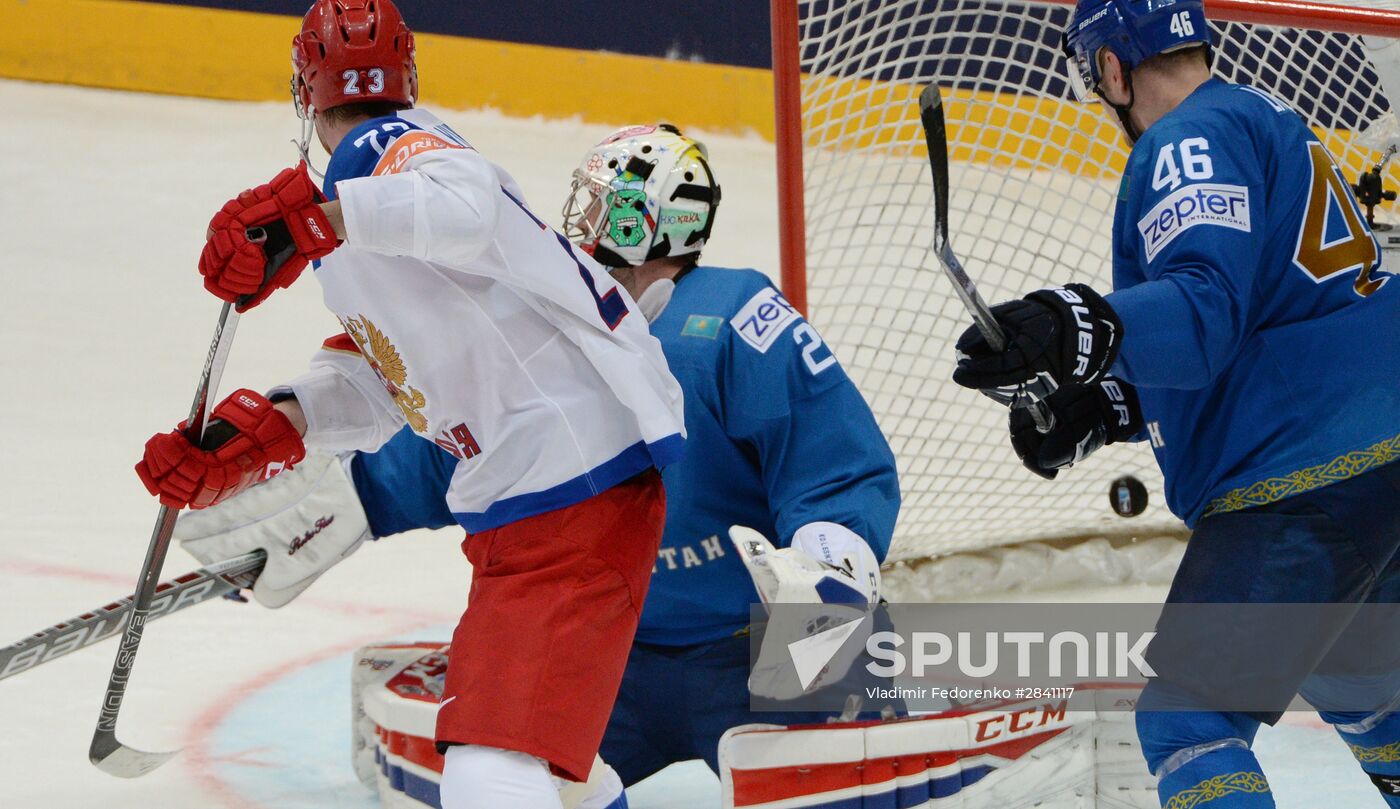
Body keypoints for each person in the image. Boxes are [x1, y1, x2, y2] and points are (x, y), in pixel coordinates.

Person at [173, 123, 902, 795]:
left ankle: (922, 684)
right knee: (499, 775)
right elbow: (469, 443)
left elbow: (831, 458)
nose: (579, 218)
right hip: (611, 654)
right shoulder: (541, 304)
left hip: (742, 652)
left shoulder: (732, 313)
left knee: (858, 783)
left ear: (647, 219)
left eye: (602, 204)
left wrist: (828, 561)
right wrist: (351, 499)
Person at [135, 2, 686, 808]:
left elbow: (466, 207)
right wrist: (266, 430)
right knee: (557, 773)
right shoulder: (362, 209)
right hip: (541, 493)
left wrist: (318, 220)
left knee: (489, 769)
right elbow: (391, 378)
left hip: (570, 483)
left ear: (302, 90)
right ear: (412, 71)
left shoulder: (385, 150)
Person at [950, 0, 1400, 806]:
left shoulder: (1185, 139)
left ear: (1113, 67)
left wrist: (1075, 322)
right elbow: (1262, 319)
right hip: (1381, 454)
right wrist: (1105, 406)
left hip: (1311, 468)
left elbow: (1202, 311)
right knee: (1360, 674)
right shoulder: (1263, 115)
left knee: (1189, 720)